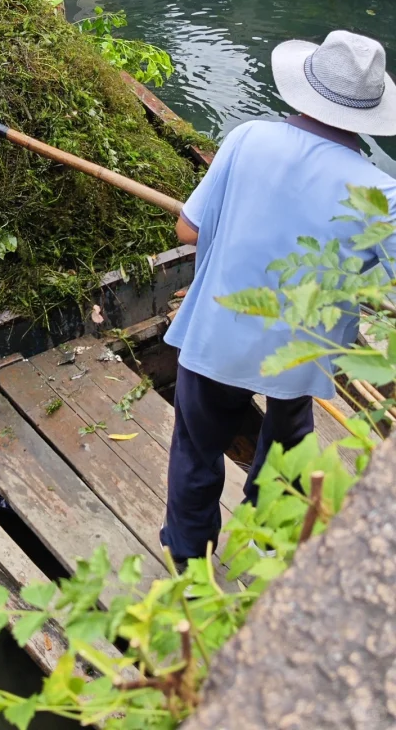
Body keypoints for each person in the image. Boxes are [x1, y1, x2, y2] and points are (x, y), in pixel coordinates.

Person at [161, 29, 396, 569]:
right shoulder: (379, 192)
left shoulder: (247, 139)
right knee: (289, 436)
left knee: (196, 446)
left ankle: (186, 559)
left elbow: (185, 230)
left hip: (216, 333)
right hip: (299, 350)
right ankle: (266, 535)